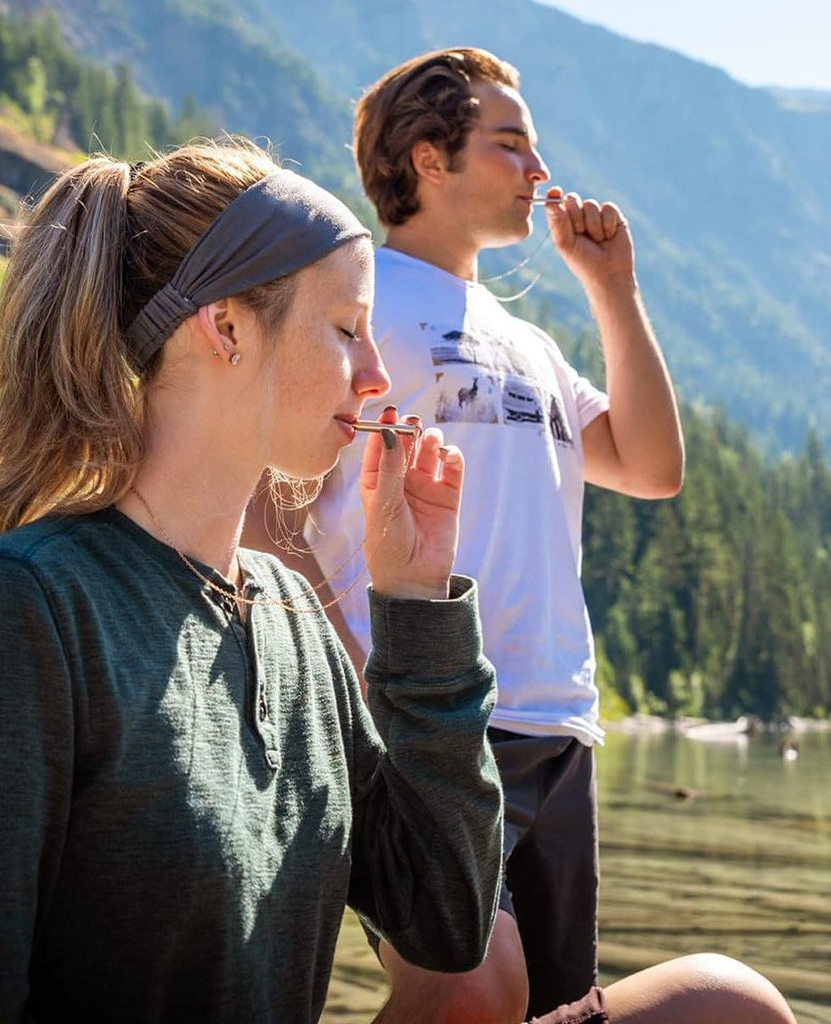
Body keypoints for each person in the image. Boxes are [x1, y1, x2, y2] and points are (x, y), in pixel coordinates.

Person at [0, 139, 507, 1023]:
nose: (378, 375)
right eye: (348, 329)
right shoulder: (18, 608)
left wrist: (420, 608)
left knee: (721, 1000)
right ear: (226, 325)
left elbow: (447, 922)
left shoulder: (292, 616)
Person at [245, 44, 682, 1020]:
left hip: (557, 719)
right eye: (510, 144)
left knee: (548, 1007)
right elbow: (265, 500)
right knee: (473, 989)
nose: (539, 170)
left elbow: (652, 467)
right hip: (423, 718)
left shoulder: (526, 338)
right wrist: (355, 668)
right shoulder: (362, 304)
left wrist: (612, 288)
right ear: (427, 158)